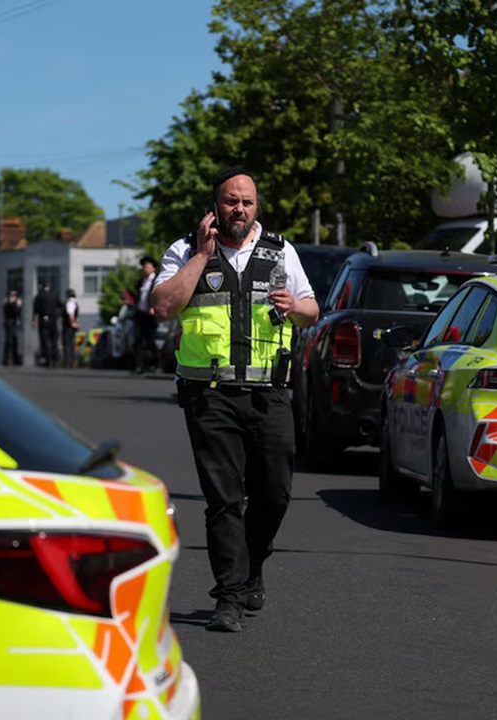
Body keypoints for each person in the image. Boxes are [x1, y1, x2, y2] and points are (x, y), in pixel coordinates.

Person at [150, 167, 319, 633]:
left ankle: (250, 572)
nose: (238, 209)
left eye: (246, 201)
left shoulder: (281, 251)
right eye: (230, 201)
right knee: (224, 499)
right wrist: (203, 255)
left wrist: (295, 307)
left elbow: (312, 309)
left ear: (256, 206)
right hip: (210, 395)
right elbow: (163, 305)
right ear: (215, 205)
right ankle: (228, 597)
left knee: (275, 494)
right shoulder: (185, 250)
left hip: (271, 393)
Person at [133, 255, 160, 374]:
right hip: (141, 314)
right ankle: (139, 366)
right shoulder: (141, 281)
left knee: (151, 341)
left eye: (148, 267)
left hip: (152, 315)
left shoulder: (157, 280)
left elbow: (160, 296)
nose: (145, 269)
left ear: (153, 268)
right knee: (138, 340)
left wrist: (155, 307)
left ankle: (157, 364)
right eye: (144, 267)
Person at [32, 283, 59, 367]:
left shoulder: (39, 296)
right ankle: (55, 358)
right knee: (54, 339)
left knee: (45, 340)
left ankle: (48, 359)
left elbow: (35, 309)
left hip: (43, 320)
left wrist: (33, 320)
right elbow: (60, 305)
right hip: (53, 319)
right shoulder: (54, 295)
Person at [2, 290, 23, 366]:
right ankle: (7, 359)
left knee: (14, 341)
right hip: (9, 323)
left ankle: (15, 358)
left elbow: (18, 314)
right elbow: (12, 312)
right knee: (9, 341)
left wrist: (18, 306)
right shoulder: (8, 304)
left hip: (13, 323)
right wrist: (16, 305)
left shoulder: (11, 304)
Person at [61, 288, 80, 368]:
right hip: (72, 326)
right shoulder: (75, 302)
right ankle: (71, 361)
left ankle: (68, 362)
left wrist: (72, 323)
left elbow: (70, 313)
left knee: (67, 344)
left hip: (68, 326)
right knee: (71, 343)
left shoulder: (70, 303)